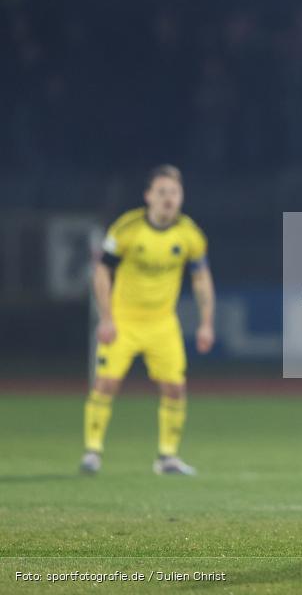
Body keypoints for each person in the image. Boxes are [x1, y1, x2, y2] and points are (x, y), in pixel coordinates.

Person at [79, 165, 216, 475]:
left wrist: (207, 322)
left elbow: (201, 279)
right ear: (148, 196)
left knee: (175, 388)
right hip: (123, 321)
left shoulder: (190, 235)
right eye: (162, 192)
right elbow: (102, 271)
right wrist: (106, 317)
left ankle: (167, 457)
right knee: (106, 383)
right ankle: (92, 451)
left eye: (175, 192)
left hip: (162, 324)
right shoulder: (127, 229)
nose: (169, 198)